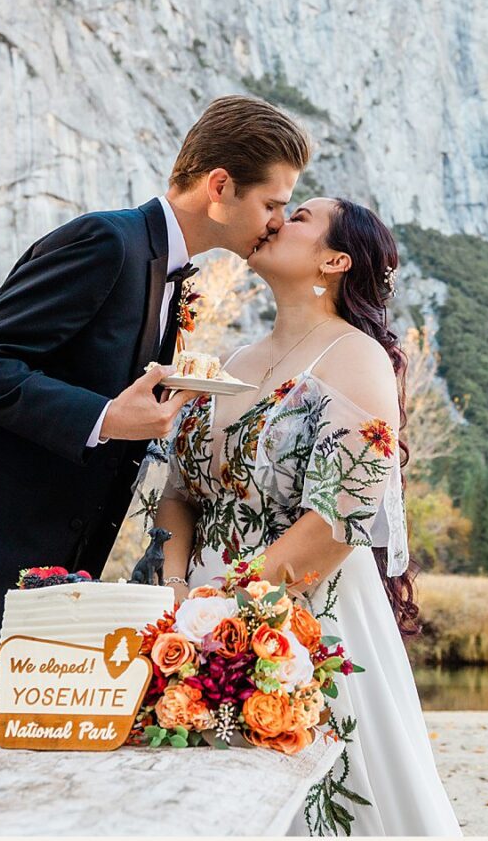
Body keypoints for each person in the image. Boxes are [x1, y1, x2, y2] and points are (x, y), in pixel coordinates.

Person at [0, 96, 310, 717]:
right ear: (220, 187)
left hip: (46, 579)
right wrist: (105, 419)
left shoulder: (165, 270)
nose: (277, 221)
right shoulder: (107, 242)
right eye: (272, 203)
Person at [152, 196, 462, 836]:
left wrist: (227, 609)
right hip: (194, 610)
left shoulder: (355, 359)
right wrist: (179, 594)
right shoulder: (232, 362)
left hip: (302, 615)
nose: (274, 220)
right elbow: (180, 494)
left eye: (299, 218)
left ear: (335, 259)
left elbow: (338, 520)